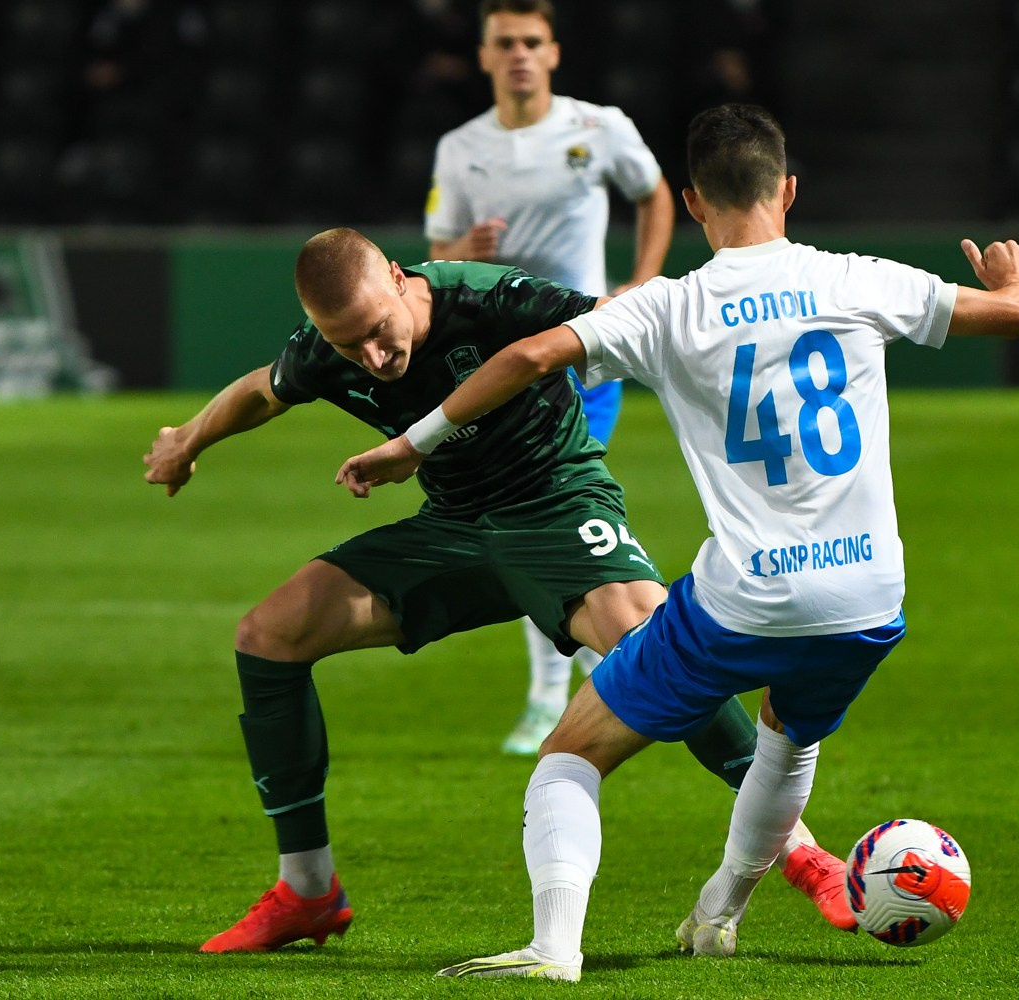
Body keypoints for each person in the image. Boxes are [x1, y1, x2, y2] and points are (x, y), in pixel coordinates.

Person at [335, 104, 1019, 980]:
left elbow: (525, 359)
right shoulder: (859, 279)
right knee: (788, 740)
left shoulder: (669, 306)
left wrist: (414, 444)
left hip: (747, 597)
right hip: (867, 596)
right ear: (788, 191)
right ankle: (718, 914)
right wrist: (1017, 278)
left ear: (694, 203)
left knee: (568, 757)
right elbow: (1016, 314)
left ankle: (554, 947)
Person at [143, 226, 851, 953]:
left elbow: (613, 322)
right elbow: (263, 390)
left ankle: (803, 854)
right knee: (270, 634)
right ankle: (307, 890)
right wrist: (188, 440)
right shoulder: (330, 347)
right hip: (452, 527)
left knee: (657, 648)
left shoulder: (488, 299)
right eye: (348, 346)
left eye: (379, 331)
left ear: (398, 278)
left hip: (556, 506)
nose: (373, 357)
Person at [424, 0, 676, 756]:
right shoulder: (460, 147)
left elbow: (654, 192)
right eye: (505, 42)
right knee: (530, 516)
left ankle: (548, 695)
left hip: (578, 352)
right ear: (484, 56)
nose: (519, 54)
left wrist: (642, 279)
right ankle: (598, 665)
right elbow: (436, 257)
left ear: (554, 52)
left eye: (532, 41)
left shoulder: (598, 127)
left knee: (546, 511)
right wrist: (462, 249)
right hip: (496, 362)